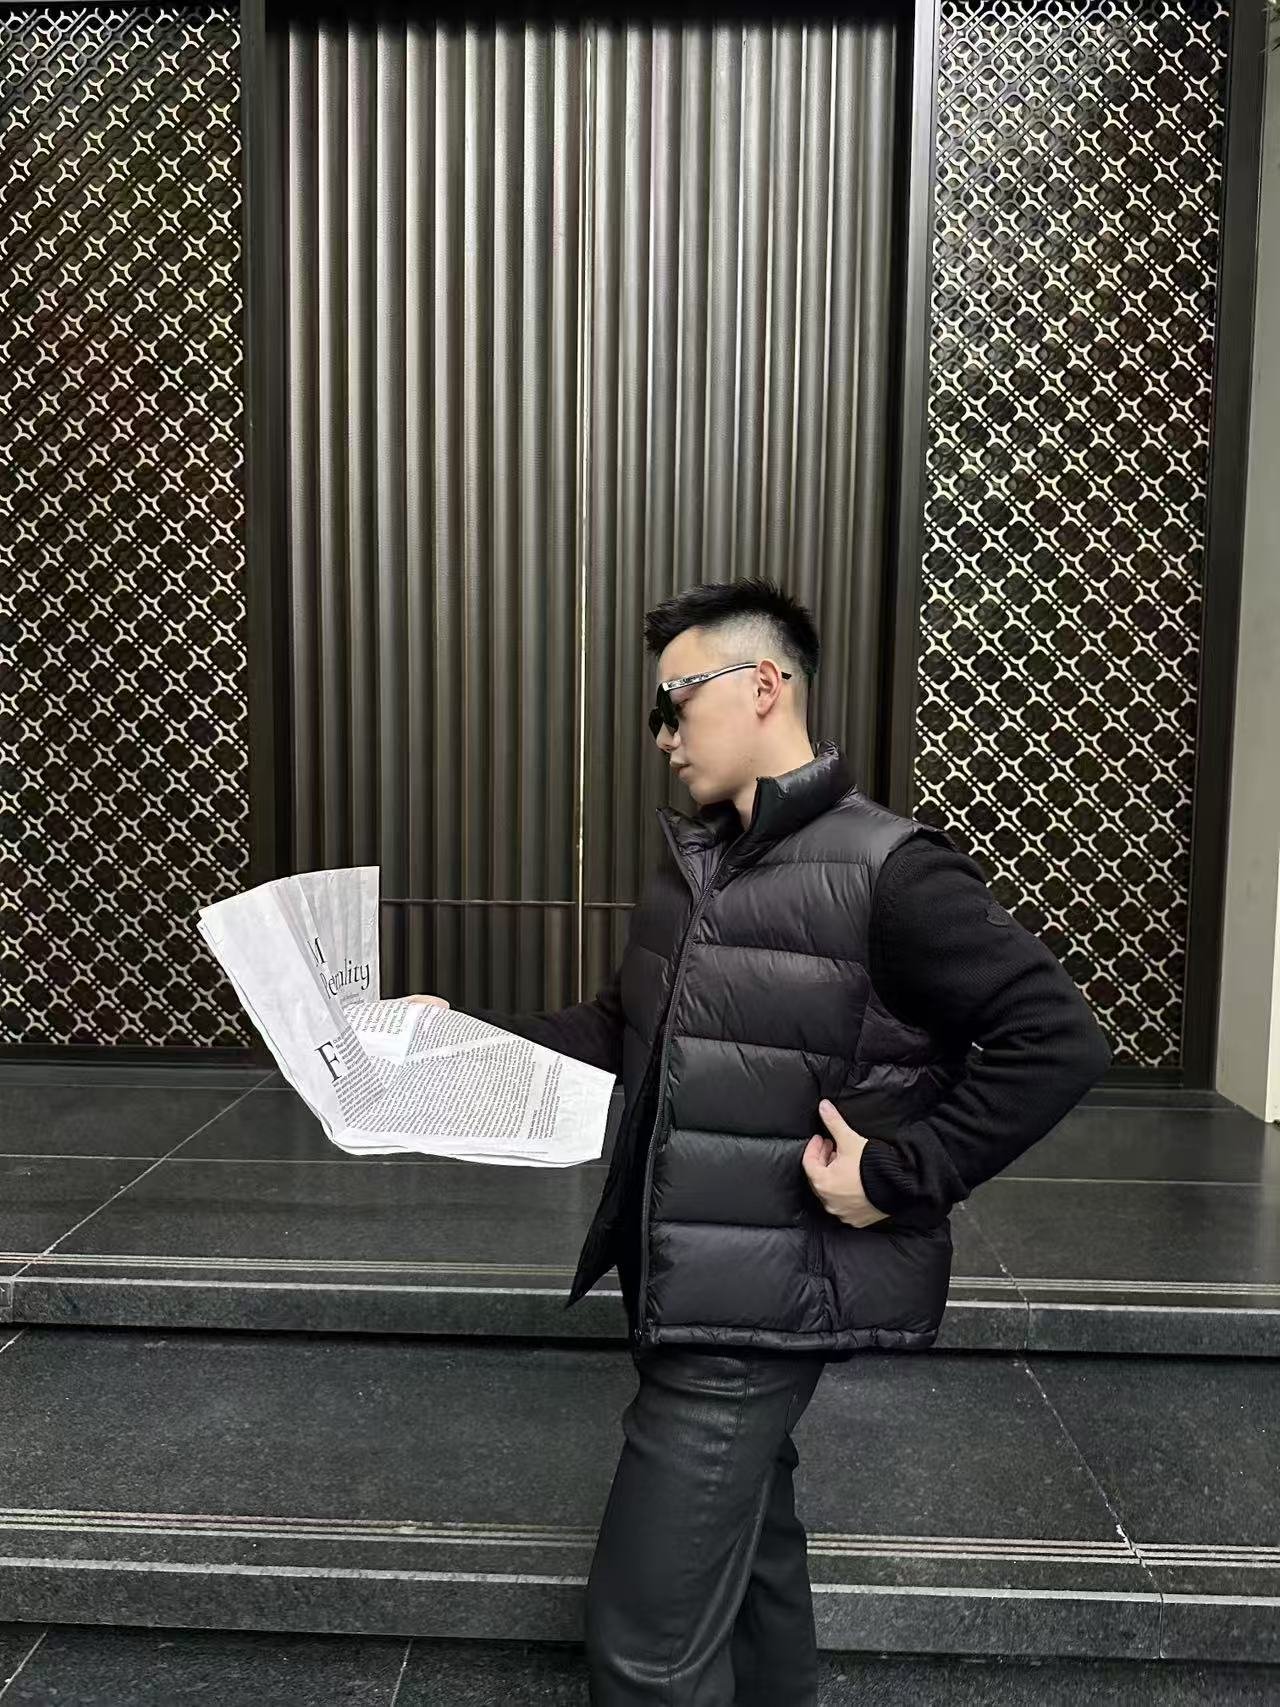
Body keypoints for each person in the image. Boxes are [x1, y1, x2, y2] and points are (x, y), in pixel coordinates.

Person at [410, 577, 1112, 1705]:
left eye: (674, 702)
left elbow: (1057, 1039)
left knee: (646, 1647)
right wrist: (461, 1035)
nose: (661, 734)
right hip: (688, 1282)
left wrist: (901, 1174)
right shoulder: (694, 865)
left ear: (764, 686)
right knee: (753, 1577)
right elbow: (621, 1032)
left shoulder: (890, 870)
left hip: (752, 1310)